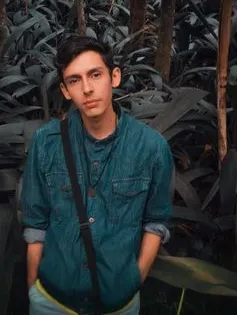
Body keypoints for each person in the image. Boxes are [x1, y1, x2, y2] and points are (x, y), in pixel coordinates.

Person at [20, 35, 174, 315]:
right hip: (52, 301)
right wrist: (33, 289)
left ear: (114, 77)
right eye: (75, 80)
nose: (87, 89)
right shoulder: (46, 142)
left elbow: (156, 222)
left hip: (119, 304)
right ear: (66, 91)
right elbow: (35, 224)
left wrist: (134, 280)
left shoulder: (152, 148)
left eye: (95, 74)